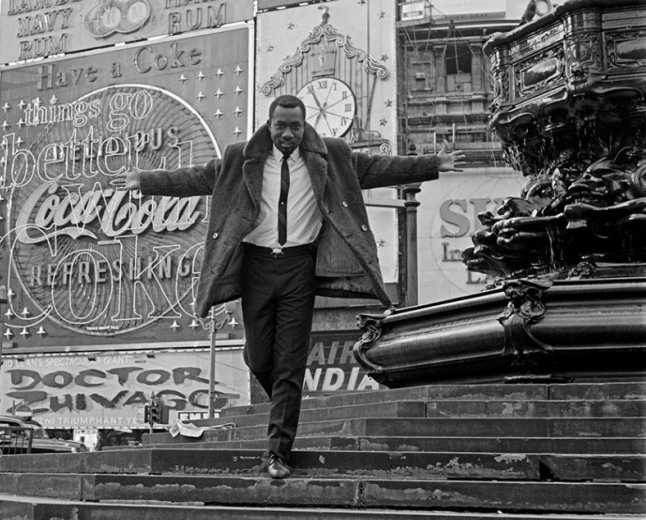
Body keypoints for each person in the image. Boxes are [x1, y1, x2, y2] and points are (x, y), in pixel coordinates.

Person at [120, 94, 464, 478]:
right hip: (256, 266)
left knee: (289, 364)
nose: (287, 133)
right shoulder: (241, 158)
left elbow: (379, 167)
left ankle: (277, 453)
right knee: (260, 358)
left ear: (305, 125)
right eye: (281, 126)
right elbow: (199, 177)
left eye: (295, 126)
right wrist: (146, 181)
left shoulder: (330, 155)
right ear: (269, 124)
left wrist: (433, 164)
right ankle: (286, 406)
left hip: (300, 267)